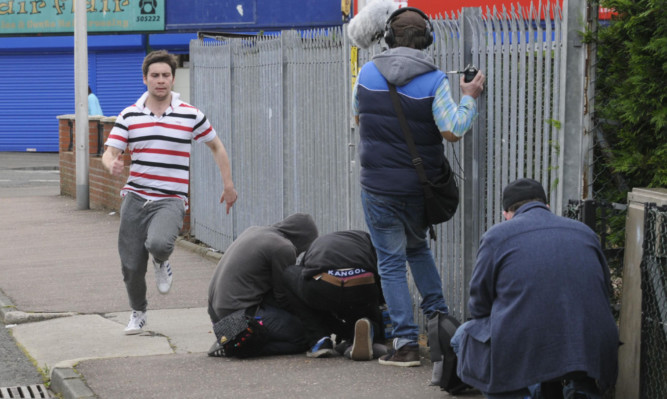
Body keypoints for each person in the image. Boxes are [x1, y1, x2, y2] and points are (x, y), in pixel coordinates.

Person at [352, 6, 485, 367]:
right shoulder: (435, 80)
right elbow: (453, 129)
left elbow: (358, 116)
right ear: (426, 40)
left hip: (377, 186)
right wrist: (470, 95)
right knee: (418, 250)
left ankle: (406, 345)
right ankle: (441, 326)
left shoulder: (365, 73)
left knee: (391, 263)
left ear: (388, 38)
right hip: (417, 187)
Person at [102, 49, 238, 335]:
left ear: (173, 79)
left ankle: (162, 261)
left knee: (160, 244)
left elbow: (216, 146)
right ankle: (138, 312)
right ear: (145, 79)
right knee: (131, 266)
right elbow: (111, 150)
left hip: (171, 198)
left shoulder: (190, 115)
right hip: (135, 197)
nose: (160, 80)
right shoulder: (129, 115)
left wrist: (228, 184)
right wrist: (111, 162)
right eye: (155, 76)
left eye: (165, 75)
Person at [450, 178, 619, 398]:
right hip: (589, 344)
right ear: (547, 206)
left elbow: (478, 307)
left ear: (506, 214)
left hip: (526, 343)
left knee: (461, 336)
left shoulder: (496, 236)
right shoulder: (585, 232)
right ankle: (578, 387)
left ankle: (524, 392)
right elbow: (606, 291)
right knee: (566, 334)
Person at [207, 213, 319, 357]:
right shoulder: (283, 247)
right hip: (239, 315)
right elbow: (283, 297)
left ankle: (228, 336)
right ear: (302, 240)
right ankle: (233, 346)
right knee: (305, 336)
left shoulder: (254, 230)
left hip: (216, 313)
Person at [282, 230, 387, 360]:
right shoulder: (368, 240)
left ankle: (319, 340)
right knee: (364, 305)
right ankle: (369, 330)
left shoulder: (317, 244)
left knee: (289, 273)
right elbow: (383, 274)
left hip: (325, 285)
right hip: (361, 286)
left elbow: (306, 275)